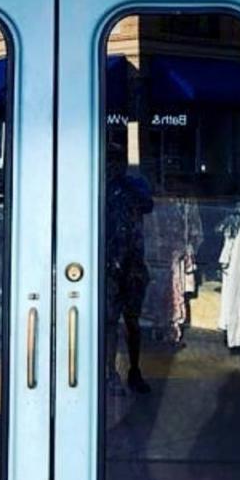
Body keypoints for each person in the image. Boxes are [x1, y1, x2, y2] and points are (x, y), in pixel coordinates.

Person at [105, 142, 154, 394]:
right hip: (109, 266)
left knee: (132, 322)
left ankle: (134, 370)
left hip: (133, 265)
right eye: (110, 160)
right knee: (110, 321)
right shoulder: (99, 188)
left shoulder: (133, 187)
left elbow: (148, 204)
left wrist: (126, 184)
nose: (113, 166)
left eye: (117, 160)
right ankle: (109, 373)